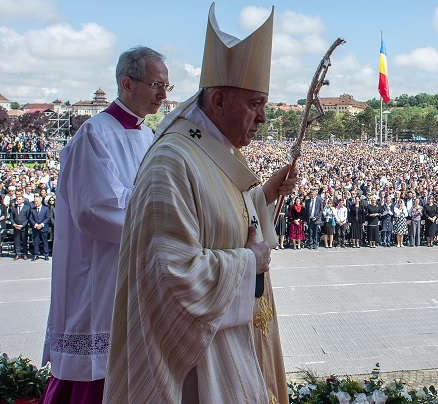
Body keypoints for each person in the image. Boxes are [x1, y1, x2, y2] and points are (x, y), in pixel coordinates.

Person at [104, 6, 295, 402]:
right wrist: (249, 264)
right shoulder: (172, 161)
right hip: (196, 365)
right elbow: (171, 271)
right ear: (219, 100)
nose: (262, 118)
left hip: (231, 342)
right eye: (255, 104)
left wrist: (265, 196)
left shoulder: (216, 150)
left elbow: (223, 219)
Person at [41, 46, 169, 404]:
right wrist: (163, 210)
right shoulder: (95, 134)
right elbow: (95, 211)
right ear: (127, 83)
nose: (163, 94)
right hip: (100, 275)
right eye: (156, 84)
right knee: (97, 377)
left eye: (167, 87)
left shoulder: (148, 137)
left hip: (135, 271)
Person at [28, 195, 51, 260]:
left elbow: (48, 217)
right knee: (36, 241)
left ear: (40, 201)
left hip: (43, 227)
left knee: (45, 241)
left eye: (37, 201)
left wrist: (42, 224)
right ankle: (36, 254)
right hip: (35, 228)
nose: (36, 203)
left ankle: (46, 254)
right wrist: (35, 224)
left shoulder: (46, 208)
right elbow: (30, 218)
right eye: (35, 202)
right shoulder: (32, 210)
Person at [9, 195, 30, 260]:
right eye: (17, 199)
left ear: (23, 200)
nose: (18, 200)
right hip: (16, 227)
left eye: (19, 199)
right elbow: (11, 217)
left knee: (24, 241)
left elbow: (28, 218)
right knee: (16, 240)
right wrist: (14, 224)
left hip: (23, 227)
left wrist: (22, 225)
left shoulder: (27, 208)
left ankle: (25, 254)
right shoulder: (14, 207)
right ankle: (18, 253)